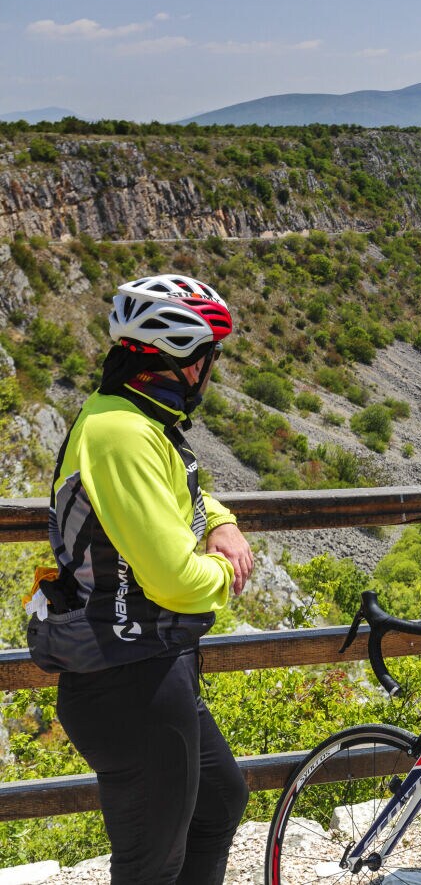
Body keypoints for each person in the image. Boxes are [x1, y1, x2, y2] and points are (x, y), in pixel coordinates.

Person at [25, 274, 253, 885]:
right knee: (152, 865)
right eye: (210, 360)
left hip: (144, 668)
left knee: (219, 801)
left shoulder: (130, 420)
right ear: (186, 364)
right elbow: (174, 580)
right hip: (127, 679)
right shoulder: (123, 433)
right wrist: (224, 575)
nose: (211, 372)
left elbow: (174, 495)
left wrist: (221, 523)